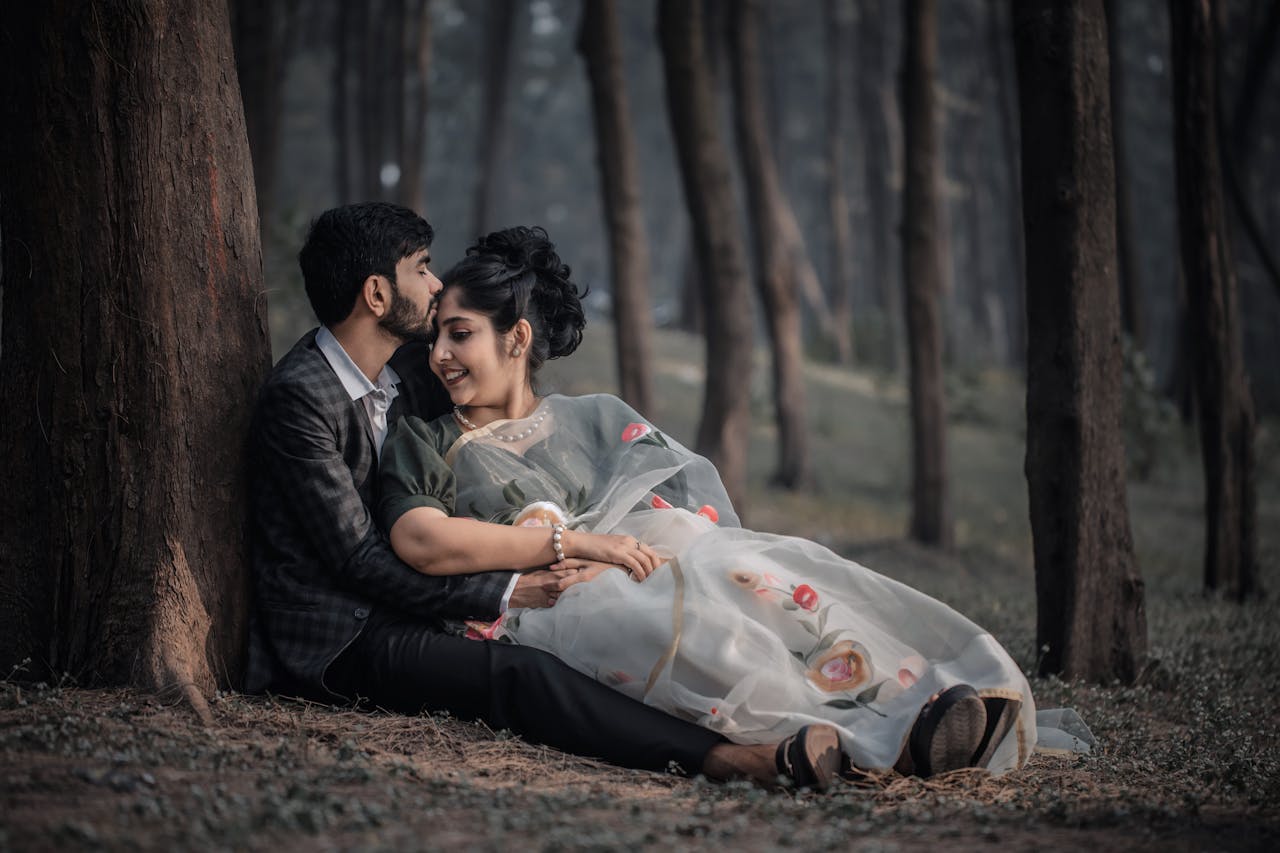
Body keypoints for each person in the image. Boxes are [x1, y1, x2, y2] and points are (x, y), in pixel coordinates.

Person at [378, 225, 1052, 779]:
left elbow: (680, 507)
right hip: (550, 606)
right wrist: (574, 550)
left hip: (646, 563)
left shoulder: (591, 417)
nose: (438, 353)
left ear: (516, 338)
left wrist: (646, 550)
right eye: (435, 335)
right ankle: (880, 742)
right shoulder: (429, 440)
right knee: (683, 625)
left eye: (458, 333)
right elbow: (421, 541)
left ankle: (920, 699)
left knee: (744, 574)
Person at [244, 202, 856, 791]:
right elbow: (360, 560)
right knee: (522, 673)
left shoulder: (407, 370)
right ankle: (730, 760)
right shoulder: (302, 397)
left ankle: (843, 707)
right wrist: (510, 588)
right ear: (377, 295)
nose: (434, 286)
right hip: (343, 634)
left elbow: (493, 388)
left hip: (413, 597)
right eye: (421, 267)